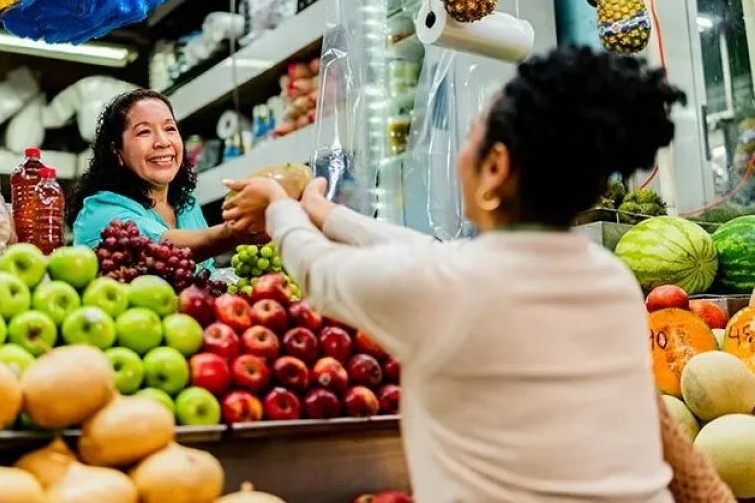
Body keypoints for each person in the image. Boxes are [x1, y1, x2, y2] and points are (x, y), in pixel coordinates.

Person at [223, 46, 684, 502]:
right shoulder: (611, 279)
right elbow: (436, 257)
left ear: (497, 166)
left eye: (470, 137)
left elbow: (320, 273)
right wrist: (327, 214)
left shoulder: (455, 285)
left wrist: (279, 207)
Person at [68, 89, 254, 266]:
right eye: (144, 132)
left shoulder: (186, 205)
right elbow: (161, 249)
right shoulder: (100, 212)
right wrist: (233, 232)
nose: (163, 142)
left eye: (169, 129)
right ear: (117, 152)